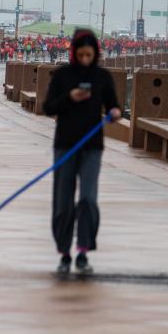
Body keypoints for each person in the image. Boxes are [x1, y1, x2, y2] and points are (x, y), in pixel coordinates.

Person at [42, 29, 121, 276]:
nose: (86, 59)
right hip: (65, 144)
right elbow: (48, 107)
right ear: (74, 53)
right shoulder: (63, 75)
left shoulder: (103, 77)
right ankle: (64, 253)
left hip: (92, 147)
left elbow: (114, 105)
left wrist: (116, 113)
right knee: (63, 201)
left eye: (89, 54)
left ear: (95, 53)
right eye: (81, 54)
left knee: (87, 198)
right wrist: (69, 97)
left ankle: (84, 250)